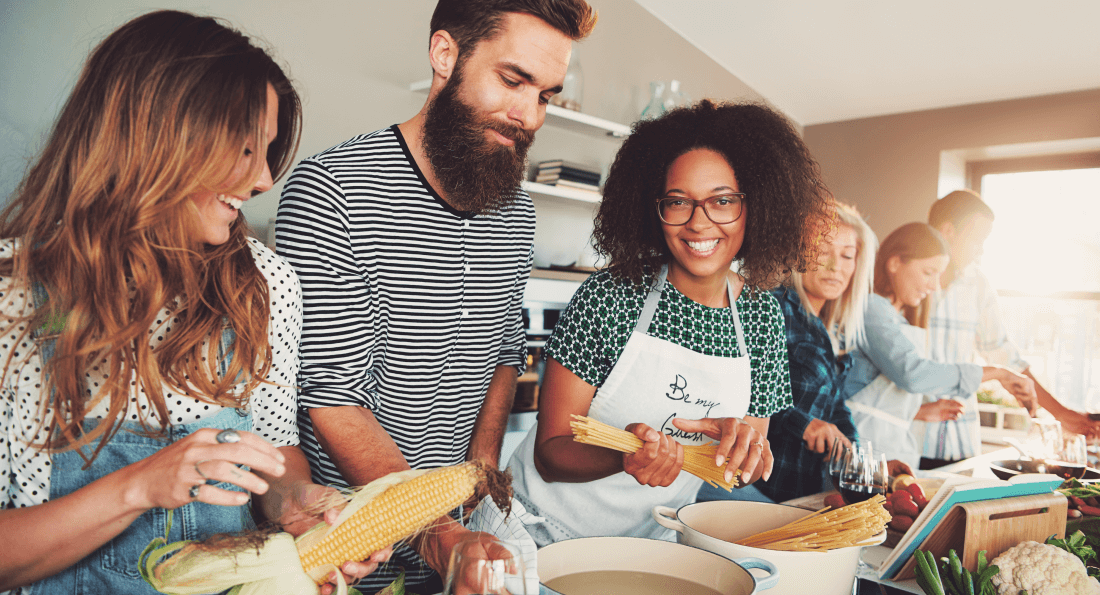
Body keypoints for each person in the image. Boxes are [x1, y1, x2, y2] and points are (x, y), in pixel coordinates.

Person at [0, 11, 387, 595]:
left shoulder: (266, 285)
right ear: (158, 134)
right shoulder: (17, 295)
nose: (262, 178)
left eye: (268, 150)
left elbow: (276, 460)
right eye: (245, 147)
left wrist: (295, 507)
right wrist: (138, 487)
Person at [275, 0, 597, 591]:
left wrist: (479, 483)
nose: (528, 114)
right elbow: (332, 398)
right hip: (350, 559)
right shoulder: (333, 189)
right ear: (445, 54)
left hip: (459, 544)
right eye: (512, 80)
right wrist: (440, 536)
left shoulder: (515, 211)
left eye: (546, 95)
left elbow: (503, 355)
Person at [507, 100, 832, 545]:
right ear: (654, 209)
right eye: (678, 202)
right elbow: (550, 453)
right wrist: (626, 455)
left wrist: (744, 453)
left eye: (721, 201)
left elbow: (741, 472)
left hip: (644, 548)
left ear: (756, 206)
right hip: (535, 534)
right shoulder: (609, 297)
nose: (699, 223)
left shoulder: (761, 317)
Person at [697, 202, 878, 504]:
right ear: (797, 255)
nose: (836, 266)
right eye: (823, 250)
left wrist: (860, 466)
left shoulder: (829, 332)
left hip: (798, 495)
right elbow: (739, 396)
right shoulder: (771, 310)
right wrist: (804, 424)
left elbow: (836, 411)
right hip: (752, 488)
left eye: (847, 255)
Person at [918, 190, 1100, 468]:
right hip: (908, 438)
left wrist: (1060, 413)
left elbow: (1005, 358)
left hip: (959, 440)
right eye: (978, 239)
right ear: (947, 231)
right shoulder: (903, 285)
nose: (981, 250)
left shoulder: (978, 284)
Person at [844, 222, 1036, 471]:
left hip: (891, 452)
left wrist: (918, 410)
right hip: (862, 449)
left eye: (938, 275)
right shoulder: (871, 308)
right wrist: (997, 373)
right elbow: (913, 373)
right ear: (894, 263)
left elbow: (874, 394)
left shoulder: (898, 318)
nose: (935, 286)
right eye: (928, 272)